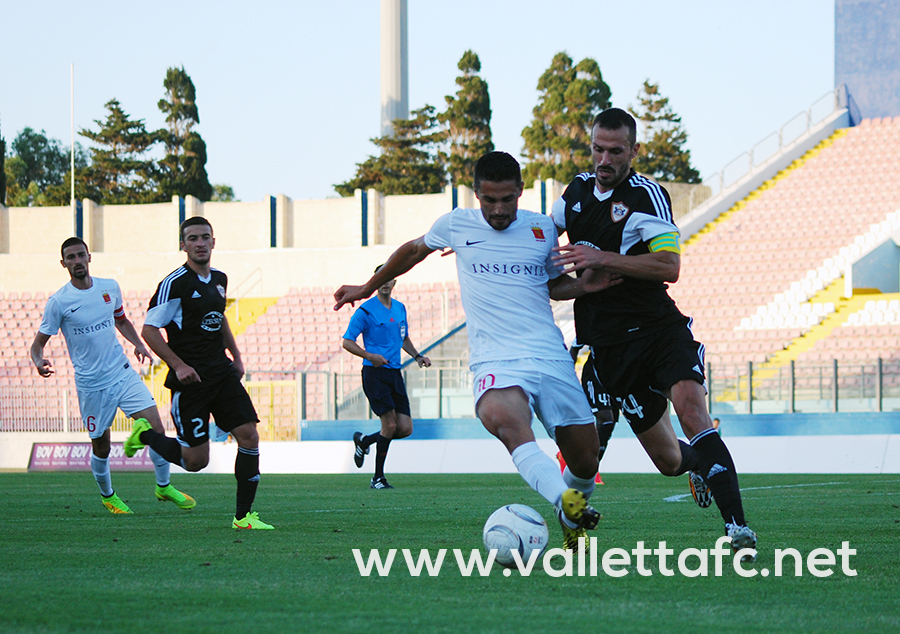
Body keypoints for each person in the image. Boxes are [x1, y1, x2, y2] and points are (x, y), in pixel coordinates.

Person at [334, 151, 622, 550]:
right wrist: (366, 288)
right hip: (496, 359)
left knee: (586, 460)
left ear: (521, 191)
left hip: (549, 355)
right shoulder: (456, 224)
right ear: (476, 194)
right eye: (490, 200)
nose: (499, 210)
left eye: (507, 199)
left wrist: (588, 285)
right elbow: (413, 251)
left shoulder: (541, 230)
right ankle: (565, 500)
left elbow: (552, 285)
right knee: (507, 423)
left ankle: (569, 513)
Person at [550, 107, 756, 557]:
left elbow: (670, 265)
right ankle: (698, 465)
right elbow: (552, 283)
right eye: (597, 149)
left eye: (615, 151)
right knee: (668, 461)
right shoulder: (573, 196)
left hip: (659, 332)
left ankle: (738, 530)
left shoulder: (647, 196)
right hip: (608, 348)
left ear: (634, 151)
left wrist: (602, 258)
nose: (604, 160)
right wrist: (582, 282)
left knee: (692, 412)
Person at [124, 217, 273, 530]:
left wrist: (237, 355)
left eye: (205, 237)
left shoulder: (220, 279)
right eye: (192, 238)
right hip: (190, 381)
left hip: (221, 373)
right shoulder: (174, 284)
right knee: (195, 462)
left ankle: (243, 517)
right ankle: (146, 435)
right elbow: (149, 331)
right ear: (183, 245)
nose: (200, 243)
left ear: (214, 242)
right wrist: (177, 365)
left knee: (248, 434)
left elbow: (220, 319)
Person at [30, 237, 195, 515]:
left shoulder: (109, 287)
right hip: (92, 386)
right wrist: (38, 360)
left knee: (155, 425)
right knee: (102, 446)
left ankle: (164, 486)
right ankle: (108, 496)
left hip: (122, 373)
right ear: (63, 263)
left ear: (89, 257)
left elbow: (121, 319)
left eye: (81, 255)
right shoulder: (59, 302)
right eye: (71, 257)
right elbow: (37, 344)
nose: (77, 261)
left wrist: (138, 343)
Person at [343, 266, 432, 489]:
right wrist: (369, 355)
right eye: (381, 278)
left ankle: (365, 441)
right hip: (374, 373)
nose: (385, 282)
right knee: (390, 424)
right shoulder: (365, 311)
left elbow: (403, 338)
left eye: (389, 278)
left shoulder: (400, 309)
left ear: (394, 283)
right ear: (374, 281)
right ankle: (378, 478)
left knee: (405, 428)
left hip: (394, 373)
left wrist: (418, 355)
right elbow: (347, 341)